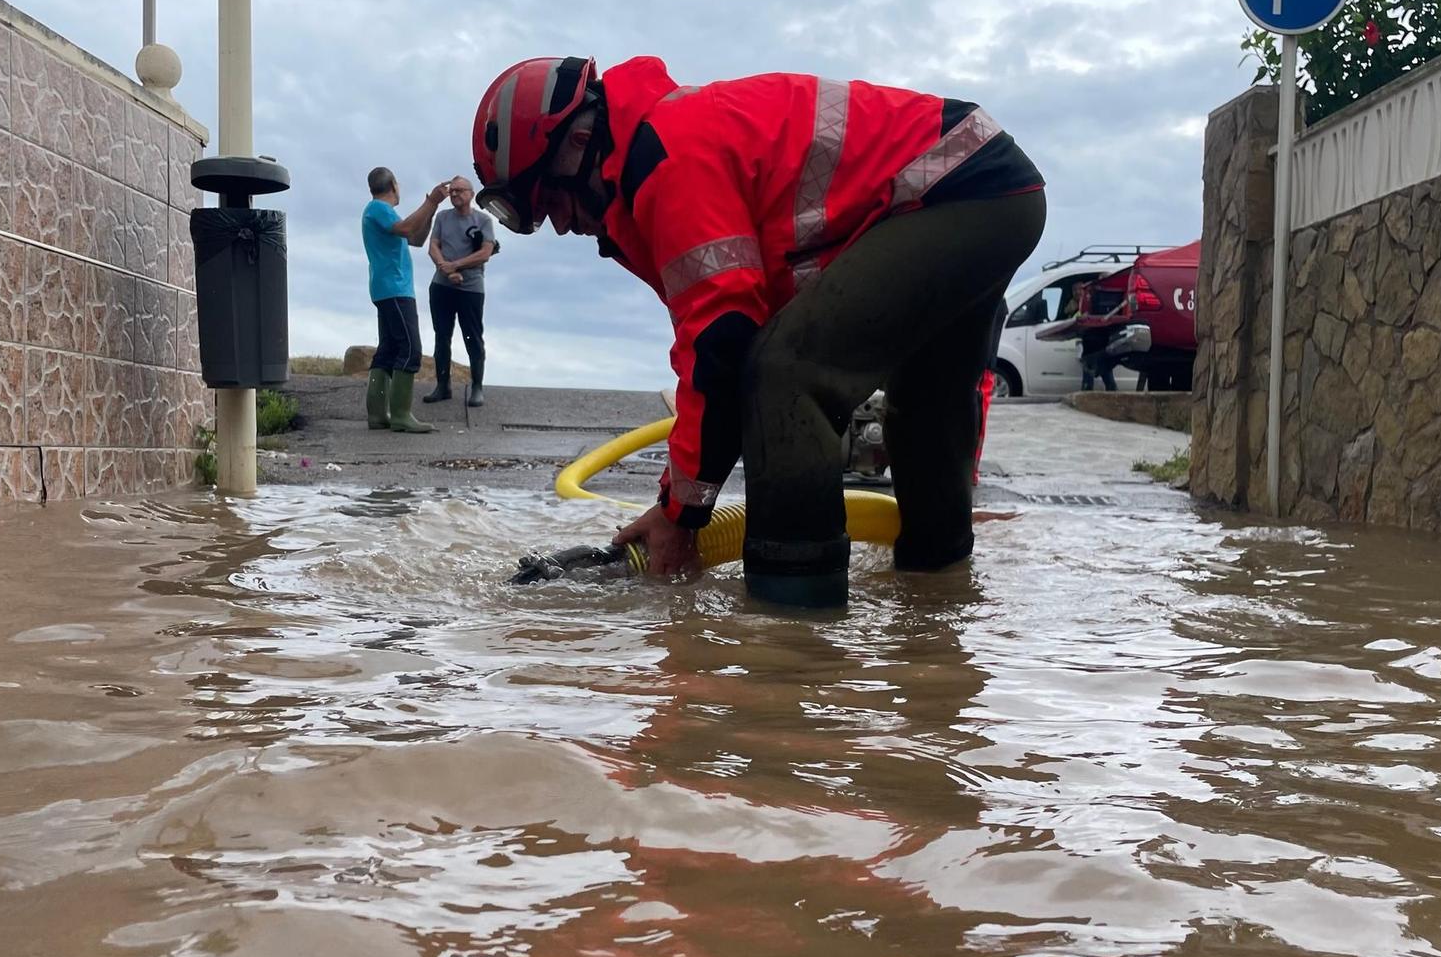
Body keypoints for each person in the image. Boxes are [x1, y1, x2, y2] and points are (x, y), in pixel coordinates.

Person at [470, 56, 1044, 608]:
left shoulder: (668, 157)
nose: (560, 224)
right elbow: (724, 328)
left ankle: (789, 648)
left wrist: (680, 515)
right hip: (989, 188)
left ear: (578, 140)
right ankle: (938, 611)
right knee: (927, 407)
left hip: (957, 187)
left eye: (548, 199)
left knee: (783, 375)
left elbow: (722, 342)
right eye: (534, 218)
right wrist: (684, 501)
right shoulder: (659, 152)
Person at [361, 167, 446, 433]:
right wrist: (430, 201)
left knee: (388, 350)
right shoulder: (378, 209)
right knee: (410, 349)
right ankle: (400, 415)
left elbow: (416, 238)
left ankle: (378, 415)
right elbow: (407, 227)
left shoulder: (382, 214)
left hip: (388, 289)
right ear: (394, 186)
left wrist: (431, 211)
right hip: (395, 289)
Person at [424, 176, 500, 406]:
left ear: (470, 193)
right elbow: (433, 246)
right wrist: (446, 270)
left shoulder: (484, 220)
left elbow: (485, 252)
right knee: (442, 336)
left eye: (459, 190)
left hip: (471, 289)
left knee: (473, 337)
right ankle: (442, 385)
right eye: (452, 191)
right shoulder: (442, 217)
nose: (454, 194)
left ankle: (477, 387)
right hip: (442, 286)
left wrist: (456, 266)